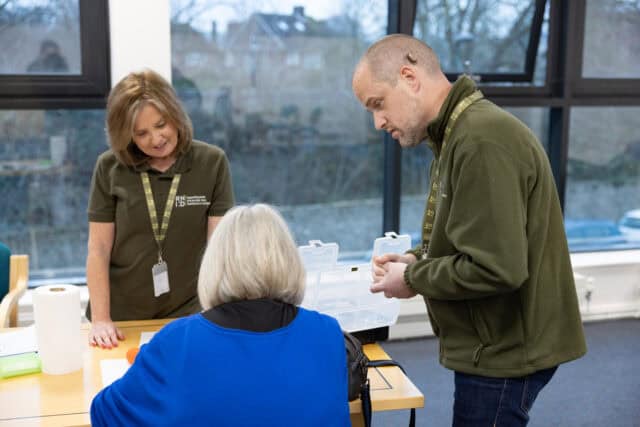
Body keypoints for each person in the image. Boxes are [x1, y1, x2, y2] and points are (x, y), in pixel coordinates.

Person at [352, 34, 587, 426]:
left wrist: (411, 276)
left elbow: (496, 267)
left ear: (409, 77)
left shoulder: (480, 139)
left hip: (504, 352)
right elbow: (471, 239)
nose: (378, 122)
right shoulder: (456, 135)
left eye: (378, 105)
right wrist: (416, 259)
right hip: (494, 344)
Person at [90, 204, 351, 427]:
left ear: (215, 264)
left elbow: (103, 414)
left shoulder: (177, 341)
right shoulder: (328, 332)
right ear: (290, 260)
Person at [86, 69, 234, 349]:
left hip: (190, 314)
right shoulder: (109, 168)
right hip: (121, 321)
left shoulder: (212, 162)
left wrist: (217, 313)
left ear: (176, 116)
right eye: (141, 133)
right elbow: (98, 249)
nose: (156, 139)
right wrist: (101, 319)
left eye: (161, 124)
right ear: (126, 136)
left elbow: (219, 249)